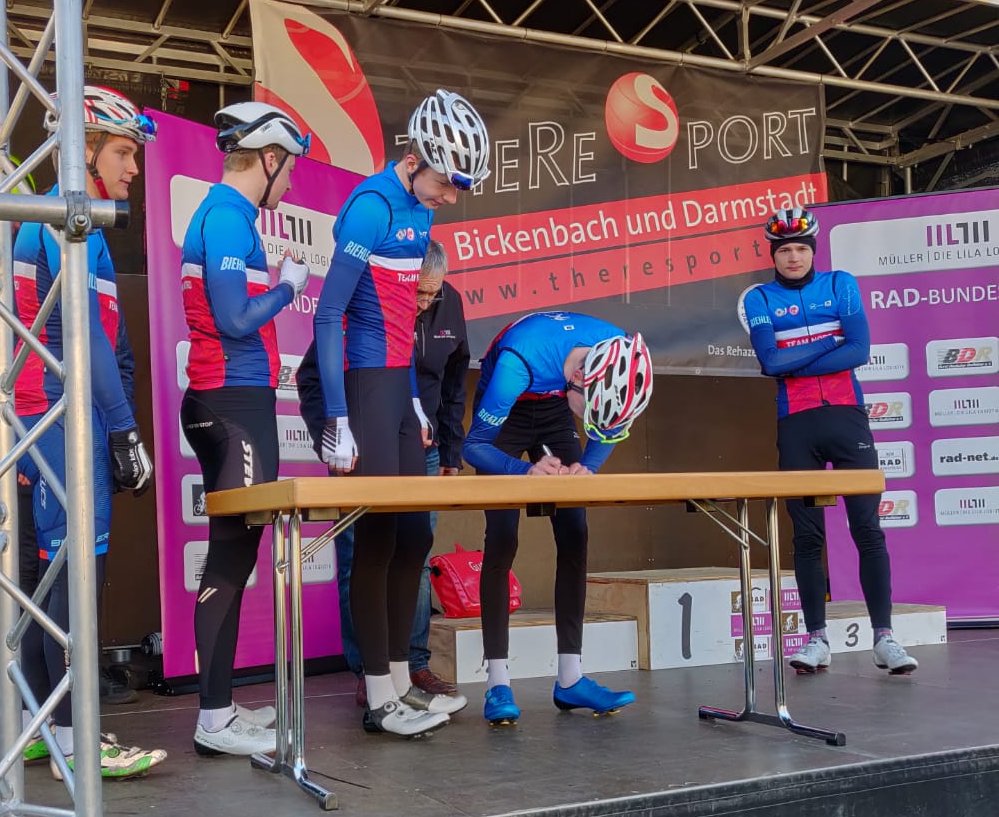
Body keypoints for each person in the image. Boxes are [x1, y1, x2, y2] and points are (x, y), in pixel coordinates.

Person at [310, 89, 489, 737]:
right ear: (415, 159)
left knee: (413, 536)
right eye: (447, 182)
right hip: (362, 388)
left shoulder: (419, 210)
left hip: (398, 389)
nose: (451, 197)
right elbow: (329, 315)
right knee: (378, 540)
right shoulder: (370, 207)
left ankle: (401, 683)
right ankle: (378, 697)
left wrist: (414, 398)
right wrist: (335, 416)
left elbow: (402, 324)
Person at [13, 85, 166, 778]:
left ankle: (45, 728)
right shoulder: (63, 224)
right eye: (123, 152)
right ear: (84, 149)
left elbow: (113, 344)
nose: (133, 168)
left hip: (46, 419)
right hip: (57, 418)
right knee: (76, 581)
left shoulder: (68, 225)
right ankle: (77, 740)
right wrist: (125, 429)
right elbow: (86, 339)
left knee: (48, 584)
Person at [179, 100, 312, 756]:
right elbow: (234, 319)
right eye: (290, 168)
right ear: (269, 158)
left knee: (233, 555)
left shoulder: (223, 215)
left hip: (228, 399)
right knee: (231, 560)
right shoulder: (229, 217)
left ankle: (220, 708)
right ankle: (213, 719)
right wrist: (288, 287)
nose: (291, 182)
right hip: (232, 402)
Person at [741, 207, 918, 676]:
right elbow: (770, 363)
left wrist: (797, 355)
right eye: (785, 250)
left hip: (847, 419)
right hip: (796, 423)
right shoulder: (758, 298)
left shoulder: (841, 284)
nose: (794, 257)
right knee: (806, 536)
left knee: (867, 530)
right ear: (773, 255)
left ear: (813, 251)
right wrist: (830, 341)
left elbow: (859, 350)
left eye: (801, 248)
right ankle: (816, 639)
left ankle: (885, 638)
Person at [298, 240, 470, 708]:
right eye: (419, 292)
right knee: (362, 552)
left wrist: (451, 446)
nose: (425, 302)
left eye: (432, 293)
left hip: (421, 447)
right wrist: (329, 436)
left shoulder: (450, 303)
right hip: (362, 449)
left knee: (414, 548)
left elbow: (454, 382)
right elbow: (311, 377)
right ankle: (367, 670)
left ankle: (410, 665)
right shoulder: (368, 302)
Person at [462, 312, 654, 724]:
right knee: (502, 538)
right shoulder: (518, 362)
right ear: (581, 379)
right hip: (506, 417)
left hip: (553, 411)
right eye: (593, 413)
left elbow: (611, 423)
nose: (594, 424)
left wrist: (588, 467)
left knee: (574, 531)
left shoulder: (617, 350)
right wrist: (524, 471)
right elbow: (473, 446)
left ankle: (570, 679)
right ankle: (498, 682)